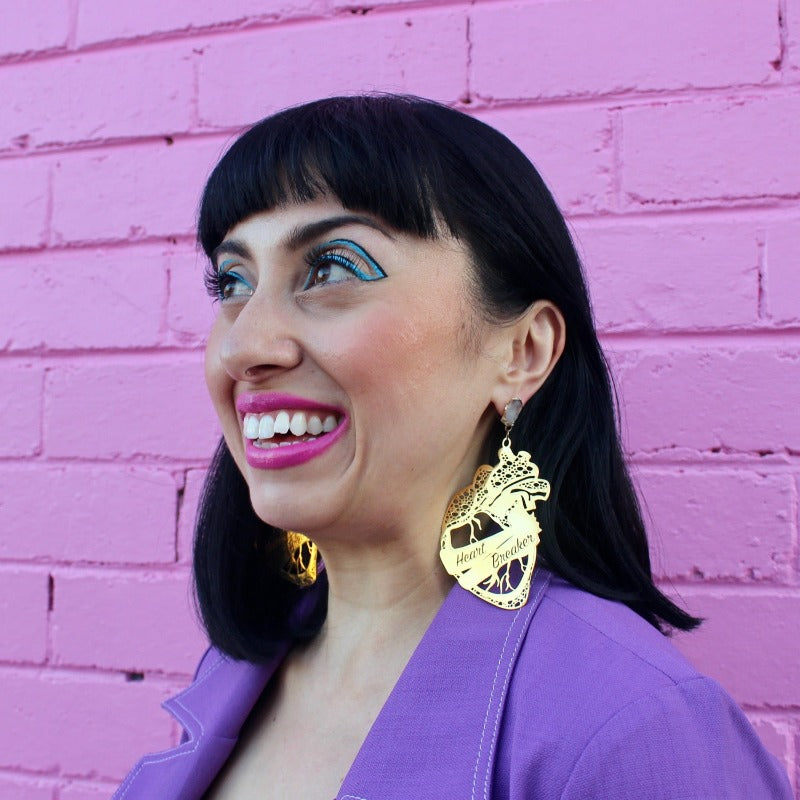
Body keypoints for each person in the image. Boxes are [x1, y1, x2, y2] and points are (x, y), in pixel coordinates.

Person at [112, 94, 792, 799]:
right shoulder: (233, 675)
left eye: (331, 269)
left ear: (523, 352)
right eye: (232, 282)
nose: (246, 345)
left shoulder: (635, 727)